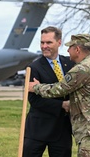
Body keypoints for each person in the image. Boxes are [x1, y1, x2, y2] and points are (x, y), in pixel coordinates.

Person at [28, 34, 90, 157]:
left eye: (70, 47)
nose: (67, 51)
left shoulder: (82, 68)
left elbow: (59, 89)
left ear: (77, 49)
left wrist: (35, 87)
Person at [23, 26, 74, 157]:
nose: (44, 46)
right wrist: (62, 105)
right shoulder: (34, 67)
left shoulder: (70, 63)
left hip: (62, 130)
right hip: (38, 129)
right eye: (42, 42)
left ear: (59, 42)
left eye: (49, 42)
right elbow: (34, 100)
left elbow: (89, 77)